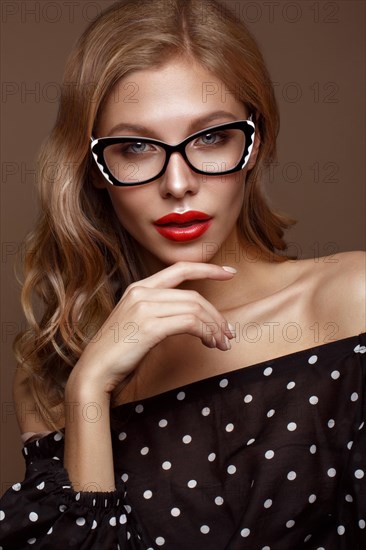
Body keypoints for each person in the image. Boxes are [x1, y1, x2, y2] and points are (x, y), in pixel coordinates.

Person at [0, 0, 365, 548]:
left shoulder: (351, 302)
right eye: (137, 147)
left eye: (212, 137)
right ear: (94, 169)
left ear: (254, 142)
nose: (177, 183)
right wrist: (90, 388)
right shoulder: (56, 376)